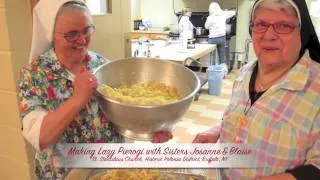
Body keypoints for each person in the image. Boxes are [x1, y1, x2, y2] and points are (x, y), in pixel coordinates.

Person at [18, 0, 171, 179]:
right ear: (52, 36)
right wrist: (77, 99)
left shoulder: (102, 65)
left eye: (87, 30)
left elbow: (123, 118)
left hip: (112, 172)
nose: (82, 40)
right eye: (71, 35)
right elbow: (40, 137)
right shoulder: (34, 75)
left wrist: (149, 129)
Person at [193, 0, 320, 179]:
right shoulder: (243, 73)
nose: (269, 35)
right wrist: (218, 131)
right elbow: (247, 117)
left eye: (283, 25)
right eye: (261, 24)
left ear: (302, 32)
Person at [205, 2, 227, 70]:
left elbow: (206, 27)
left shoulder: (210, 17)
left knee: (212, 57)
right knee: (222, 57)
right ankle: (223, 73)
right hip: (222, 38)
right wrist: (224, 12)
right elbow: (233, 12)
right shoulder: (223, 15)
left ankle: (213, 72)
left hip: (213, 39)